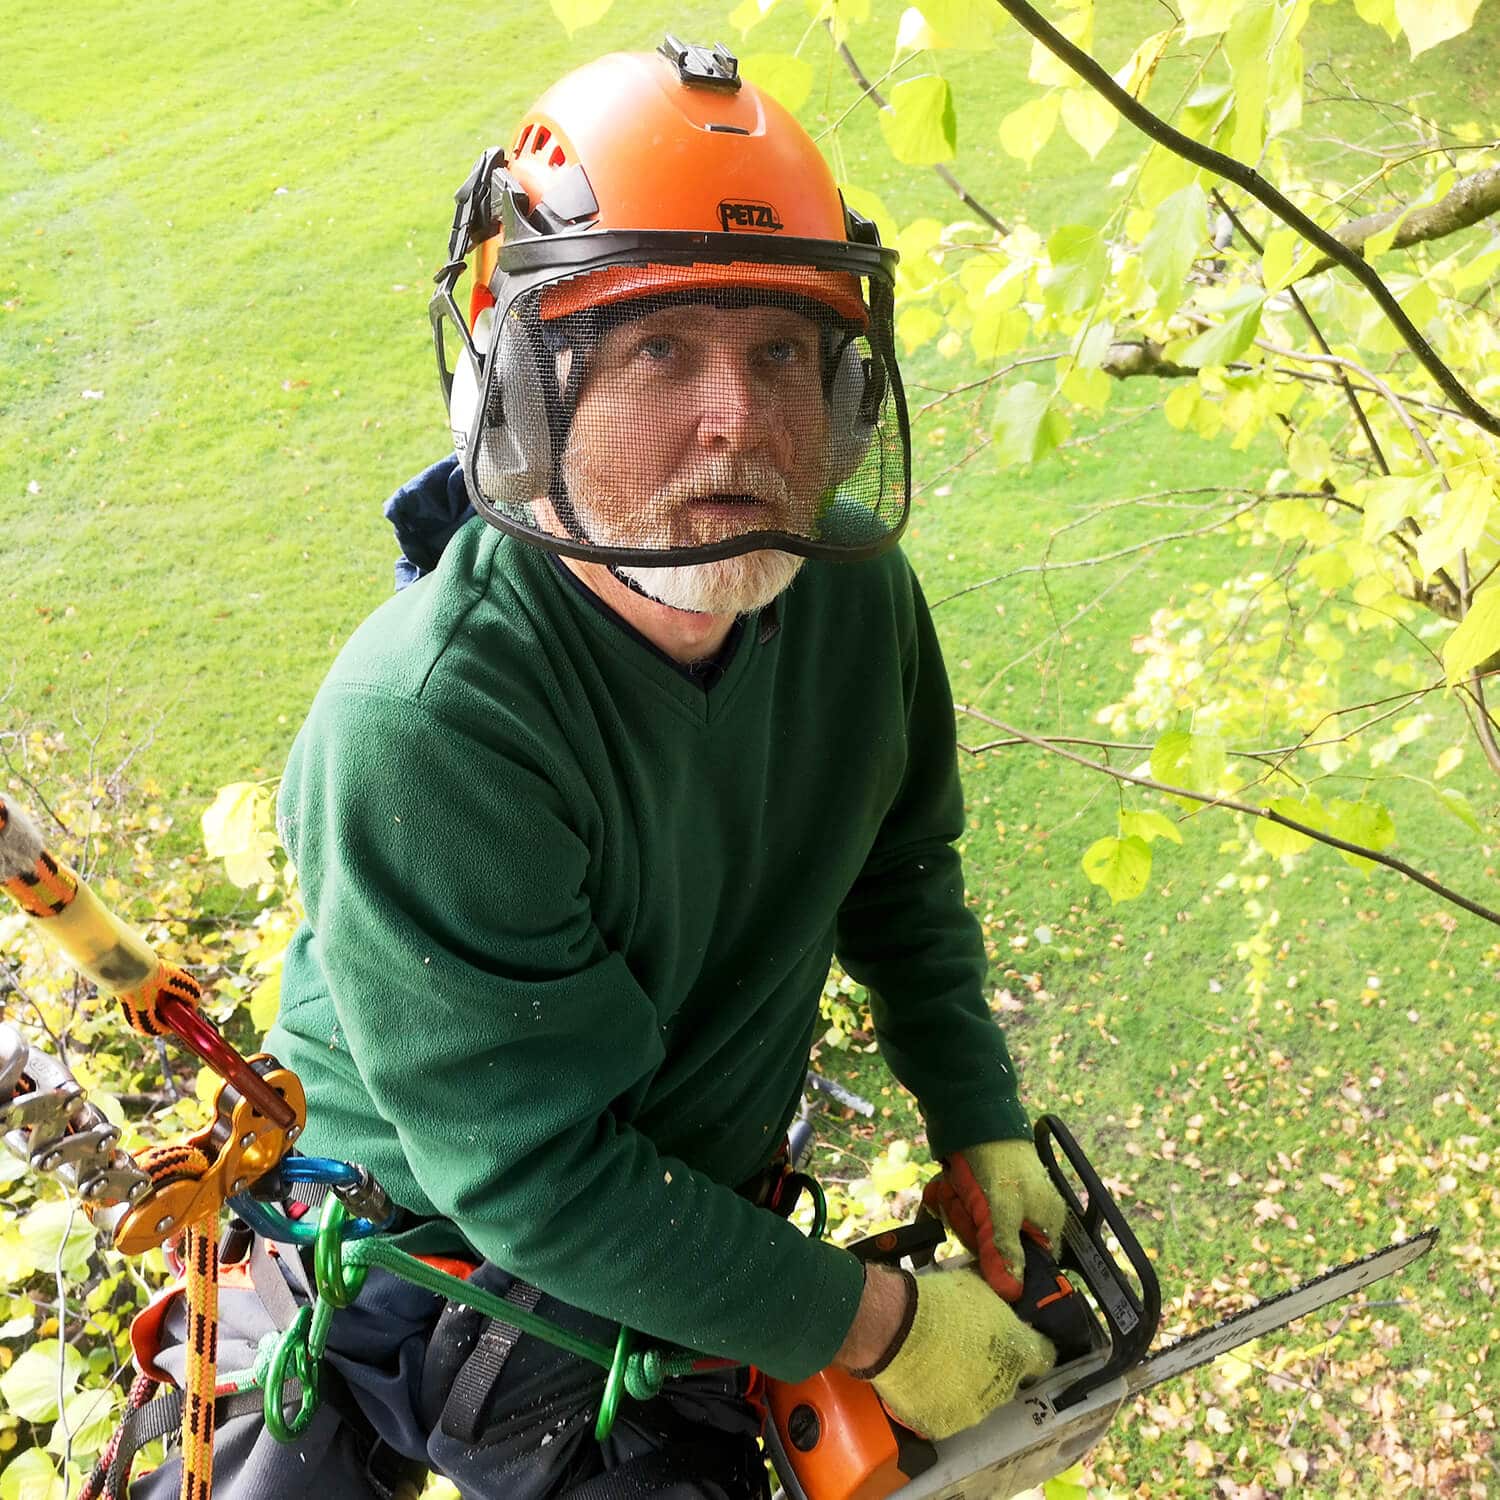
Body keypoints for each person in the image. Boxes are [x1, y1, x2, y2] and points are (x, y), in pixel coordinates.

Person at [134, 35, 1067, 1500]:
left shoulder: (847, 593)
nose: (739, 424)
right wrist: (879, 1325)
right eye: (656, 351)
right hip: (422, 1238)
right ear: (527, 385)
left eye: (778, 352)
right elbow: (544, 1181)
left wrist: (979, 1114)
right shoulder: (429, 724)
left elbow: (900, 864)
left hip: (682, 1204)